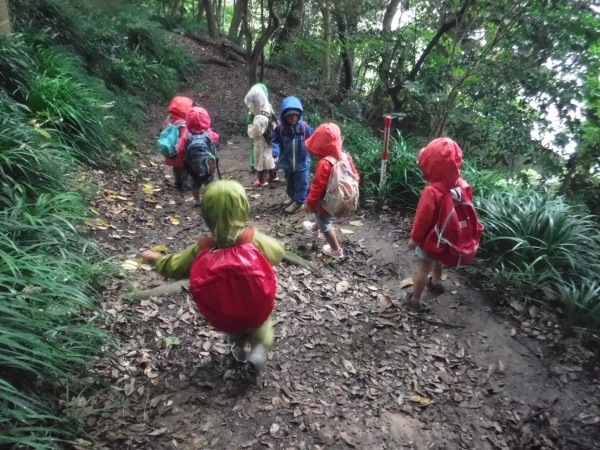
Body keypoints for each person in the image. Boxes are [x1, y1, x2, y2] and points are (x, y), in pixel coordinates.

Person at [141, 180, 285, 375]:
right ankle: (259, 349)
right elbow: (277, 252)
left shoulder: (203, 248)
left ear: (207, 214)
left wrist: (157, 259)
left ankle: (240, 347)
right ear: (244, 207)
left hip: (226, 311)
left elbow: (175, 267)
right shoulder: (253, 239)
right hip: (256, 304)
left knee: (235, 329)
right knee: (261, 324)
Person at [399, 137, 467, 309]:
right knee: (439, 259)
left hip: (431, 238)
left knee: (423, 267)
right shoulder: (461, 184)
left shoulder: (432, 190)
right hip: (447, 235)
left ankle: (414, 299)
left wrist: (414, 239)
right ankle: (436, 283)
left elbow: (423, 219)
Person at [302, 122, 359, 259]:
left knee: (325, 223)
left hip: (326, 201)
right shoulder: (346, 157)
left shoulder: (325, 163)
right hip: (340, 199)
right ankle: (314, 229)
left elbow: (318, 186)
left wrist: (310, 203)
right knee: (323, 218)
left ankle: (336, 250)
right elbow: (356, 176)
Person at [273, 96, 314, 214]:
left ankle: (300, 201)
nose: (293, 117)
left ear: (299, 115)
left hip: (302, 162)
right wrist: (275, 153)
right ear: (284, 116)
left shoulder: (305, 128)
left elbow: (315, 138)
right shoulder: (281, 129)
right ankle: (292, 197)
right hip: (288, 162)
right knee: (290, 182)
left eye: (295, 115)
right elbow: (275, 141)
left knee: (301, 182)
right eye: (289, 115)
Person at [178, 106, 221, 205]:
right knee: (211, 184)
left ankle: (197, 200)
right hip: (208, 168)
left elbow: (179, 148)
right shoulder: (208, 134)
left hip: (193, 169)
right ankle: (212, 200)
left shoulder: (186, 136)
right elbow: (216, 138)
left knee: (195, 185)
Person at [244, 84, 277, 187]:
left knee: (260, 161)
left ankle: (262, 180)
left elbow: (256, 132)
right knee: (270, 157)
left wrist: (250, 128)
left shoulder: (259, 117)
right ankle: (273, 176)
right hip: (270, 138)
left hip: (261, 141)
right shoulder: (268, 108)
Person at [161, 96, 193, 190]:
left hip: (170, 147)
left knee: (176, 167)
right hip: (181, 150)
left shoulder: (169, 119)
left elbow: (164, 129)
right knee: (184, 168)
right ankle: (185, 185)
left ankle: (177, 182)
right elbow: (185, 137)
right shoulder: (183, 123)